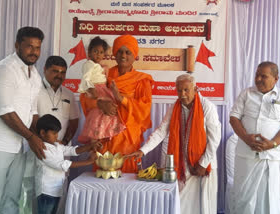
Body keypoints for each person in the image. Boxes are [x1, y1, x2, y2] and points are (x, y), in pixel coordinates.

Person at [127, 74, 221, 214]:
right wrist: (143, 150)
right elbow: (162, 130)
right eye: (179, 90)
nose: (182, 94)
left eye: (186, 90)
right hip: (184, 166)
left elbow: (214, 139)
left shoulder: (207, 107)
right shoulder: (175, 107)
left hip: (203, 166)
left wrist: (202, 163)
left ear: (195, 89)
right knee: (182, 205)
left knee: (204, 207)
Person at [0, 26, 45, 214]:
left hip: (19, 145)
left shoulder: (34, 74)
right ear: (17, 45)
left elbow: (33, 112)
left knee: (12, 197)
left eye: (37, 48)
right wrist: (31, 137)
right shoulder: (4, 70)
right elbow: (5, 112)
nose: (34, 52)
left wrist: (42, 138)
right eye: (29, 46)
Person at [229, 61, 280, 214]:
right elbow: (233, 118)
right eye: (257, 75)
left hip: (270, 157)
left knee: (269, 200)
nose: (258, 79)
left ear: (276, 78)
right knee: (243, 199)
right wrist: (246, 138)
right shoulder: (246, 94)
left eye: (263, 76)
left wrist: (272, 144)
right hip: (246, 156)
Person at [82, 34, 154, 173]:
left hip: (127, 137)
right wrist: (100, 104)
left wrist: (121, 99)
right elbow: (86, 97)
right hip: (104, 134)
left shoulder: (141, 80)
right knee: (103, 174)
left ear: (135, 55)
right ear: (114, 53)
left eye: (128, 52)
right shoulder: (104, 73)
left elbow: (144, 109)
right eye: (120, 51)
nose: (123, 55)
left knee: (126, 177)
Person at [21, 55, 81, 213]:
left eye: (62, 72)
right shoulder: (34, 90)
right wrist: (41, 142)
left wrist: (65, 140)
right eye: (54, 71)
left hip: (60, 150)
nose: (59, 75)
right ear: (45, 70)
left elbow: (74, 121)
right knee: (33, 190)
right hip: (37, 147)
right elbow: (32, 119)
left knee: (58, 192)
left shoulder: (69, 94)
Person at [35, 114, 99, 214]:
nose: (57, 136)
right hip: (46, 191)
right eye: (54, 133)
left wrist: (89, 146)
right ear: (42, 133)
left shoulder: (57, 145)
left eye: (57, 133)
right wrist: (88, 162)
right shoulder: (42, 149)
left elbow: (72, 150)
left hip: (56, 190)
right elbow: (62, 164)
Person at [77, 37, 125, 144]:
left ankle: (106, 132)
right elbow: (86, 78)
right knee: (97, 112)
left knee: (108, 110)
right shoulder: (88, 64)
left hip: (104, 89)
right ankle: (95, 138)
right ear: (89, 52)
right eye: (95, 51)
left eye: (101, 52)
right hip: (95, 89)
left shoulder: (101, 66)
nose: (98, 54)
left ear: (104, 55)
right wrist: (90, 88)